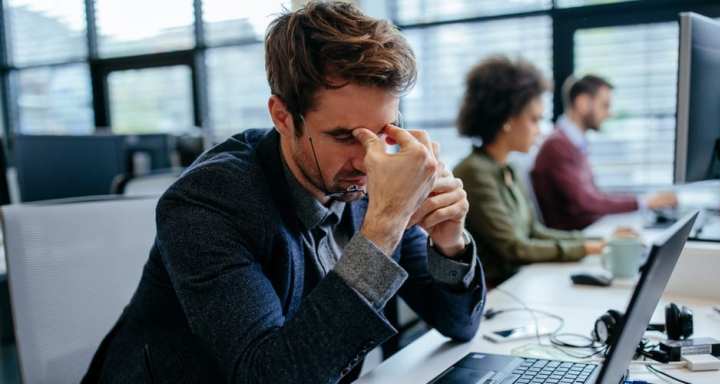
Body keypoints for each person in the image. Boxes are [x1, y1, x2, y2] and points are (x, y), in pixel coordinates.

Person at [83, 2, 486, 383]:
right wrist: (384, 227)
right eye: (344, 136)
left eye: (383, 133)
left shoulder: (372, 182)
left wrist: (450, 239)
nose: (368, 160)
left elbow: (460, 323)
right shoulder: (207, 204)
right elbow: (270, 375)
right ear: (281, 116)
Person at [453, 56, 604, 287]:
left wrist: (598, 240)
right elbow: (515, 248)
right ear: (508, 120)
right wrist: (586, 247)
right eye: (534, 119)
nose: (539, 130)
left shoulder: (510, 167)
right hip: (495, 294)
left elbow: (534, 231)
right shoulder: (473, 172)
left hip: (521, 283)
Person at [531, 74, 678, 231]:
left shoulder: (573, 142)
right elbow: (586, 202)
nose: (610, 113)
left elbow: (593, 196)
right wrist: (644, 202)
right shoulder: (557, 145)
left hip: (589, 231)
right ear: (583, 103)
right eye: (605, 105)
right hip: (576, 239)